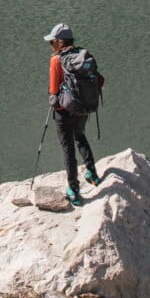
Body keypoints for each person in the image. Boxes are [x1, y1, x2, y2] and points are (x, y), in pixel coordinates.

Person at [44, 21, 102, 208]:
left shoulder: (56, 60)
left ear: (59, 42)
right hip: (82, 108)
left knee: (68, 149)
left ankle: (74, 190)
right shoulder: (82, 55)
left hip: (63, 112)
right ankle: (92, 172)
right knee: (80, 136)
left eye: (52, 42)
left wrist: (53, 99)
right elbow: (100, 79)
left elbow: (53, 90)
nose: (51, 45)